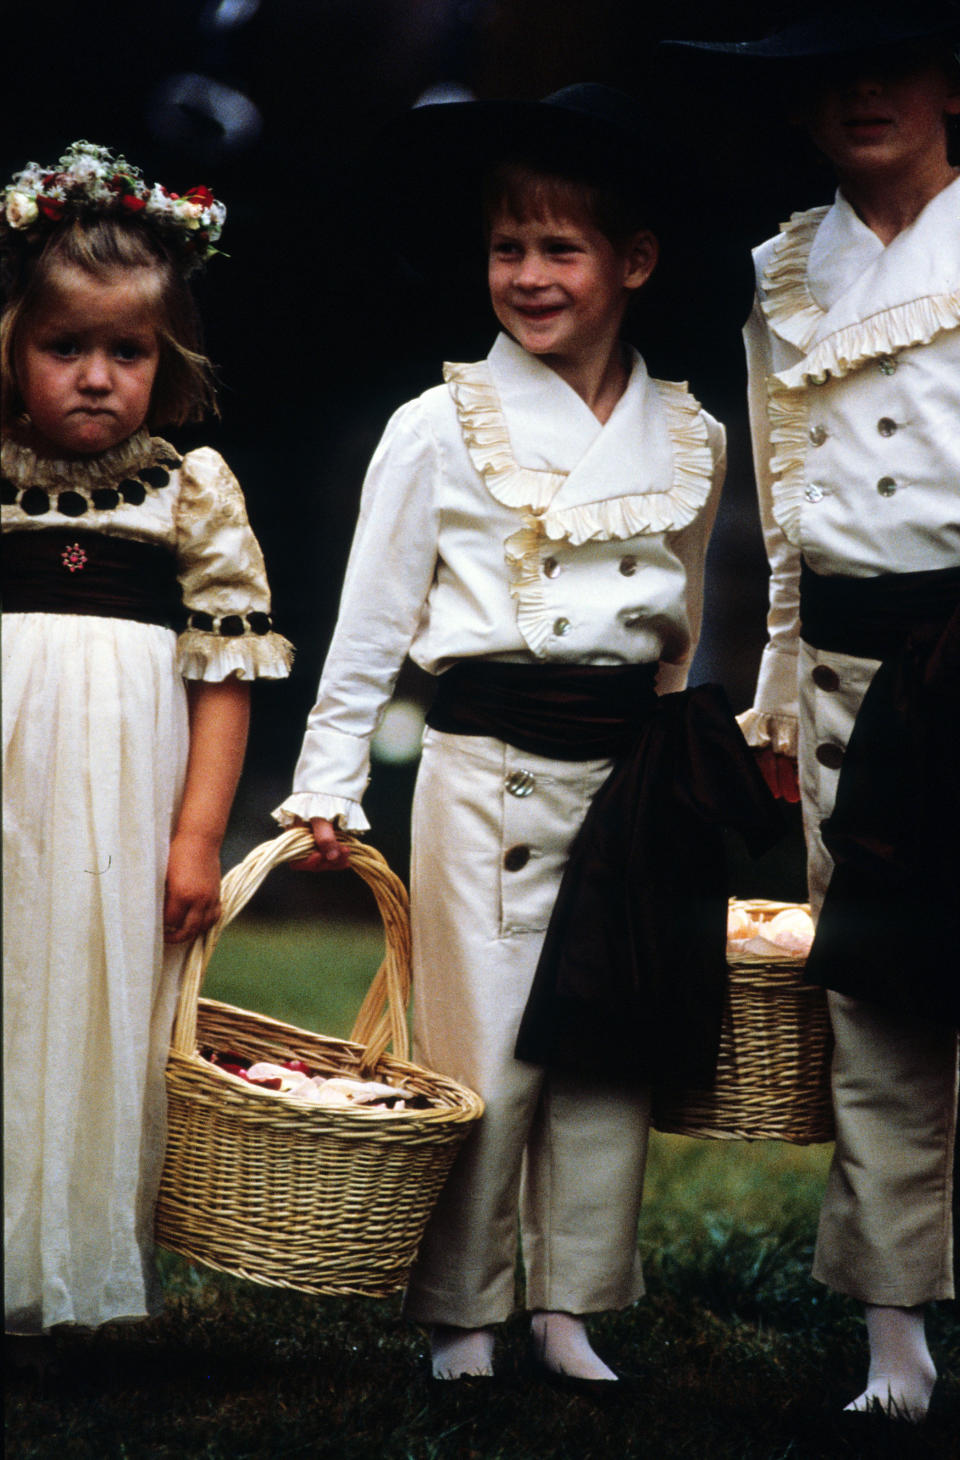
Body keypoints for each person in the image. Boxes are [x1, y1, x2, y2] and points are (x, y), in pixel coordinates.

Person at [276, 83, 743, 1385]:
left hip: (624, 780)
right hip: (483, 774)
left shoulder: (691, 438)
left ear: (633, 263)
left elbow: (681, 629)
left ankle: (570, 1303)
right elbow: (368, 622)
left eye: (561, 248)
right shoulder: (439, 428)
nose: (529, 276)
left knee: (605, 1045)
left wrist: (679, 780)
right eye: (507, 249)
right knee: (480, 1044)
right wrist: (329, 782)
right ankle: (465, 1309)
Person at [669, 1, 960, 1421]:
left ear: (951, 83)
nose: (865, 95)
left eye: (893, 65)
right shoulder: (784, 272)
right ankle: (893, 1335)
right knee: (883, 1000)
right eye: (830, 75)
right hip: (856, 686)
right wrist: (780, 696)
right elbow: (786, 509)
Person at [2, 142, 293, 1339]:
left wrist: (195, 834)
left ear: (166, 363)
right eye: (65, 346)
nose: (95, 376)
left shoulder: (190, 489)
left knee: (96, 1009)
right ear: (14, 346)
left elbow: (224, 672)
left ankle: (81, 1270)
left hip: (122, 800)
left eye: (127, 352)